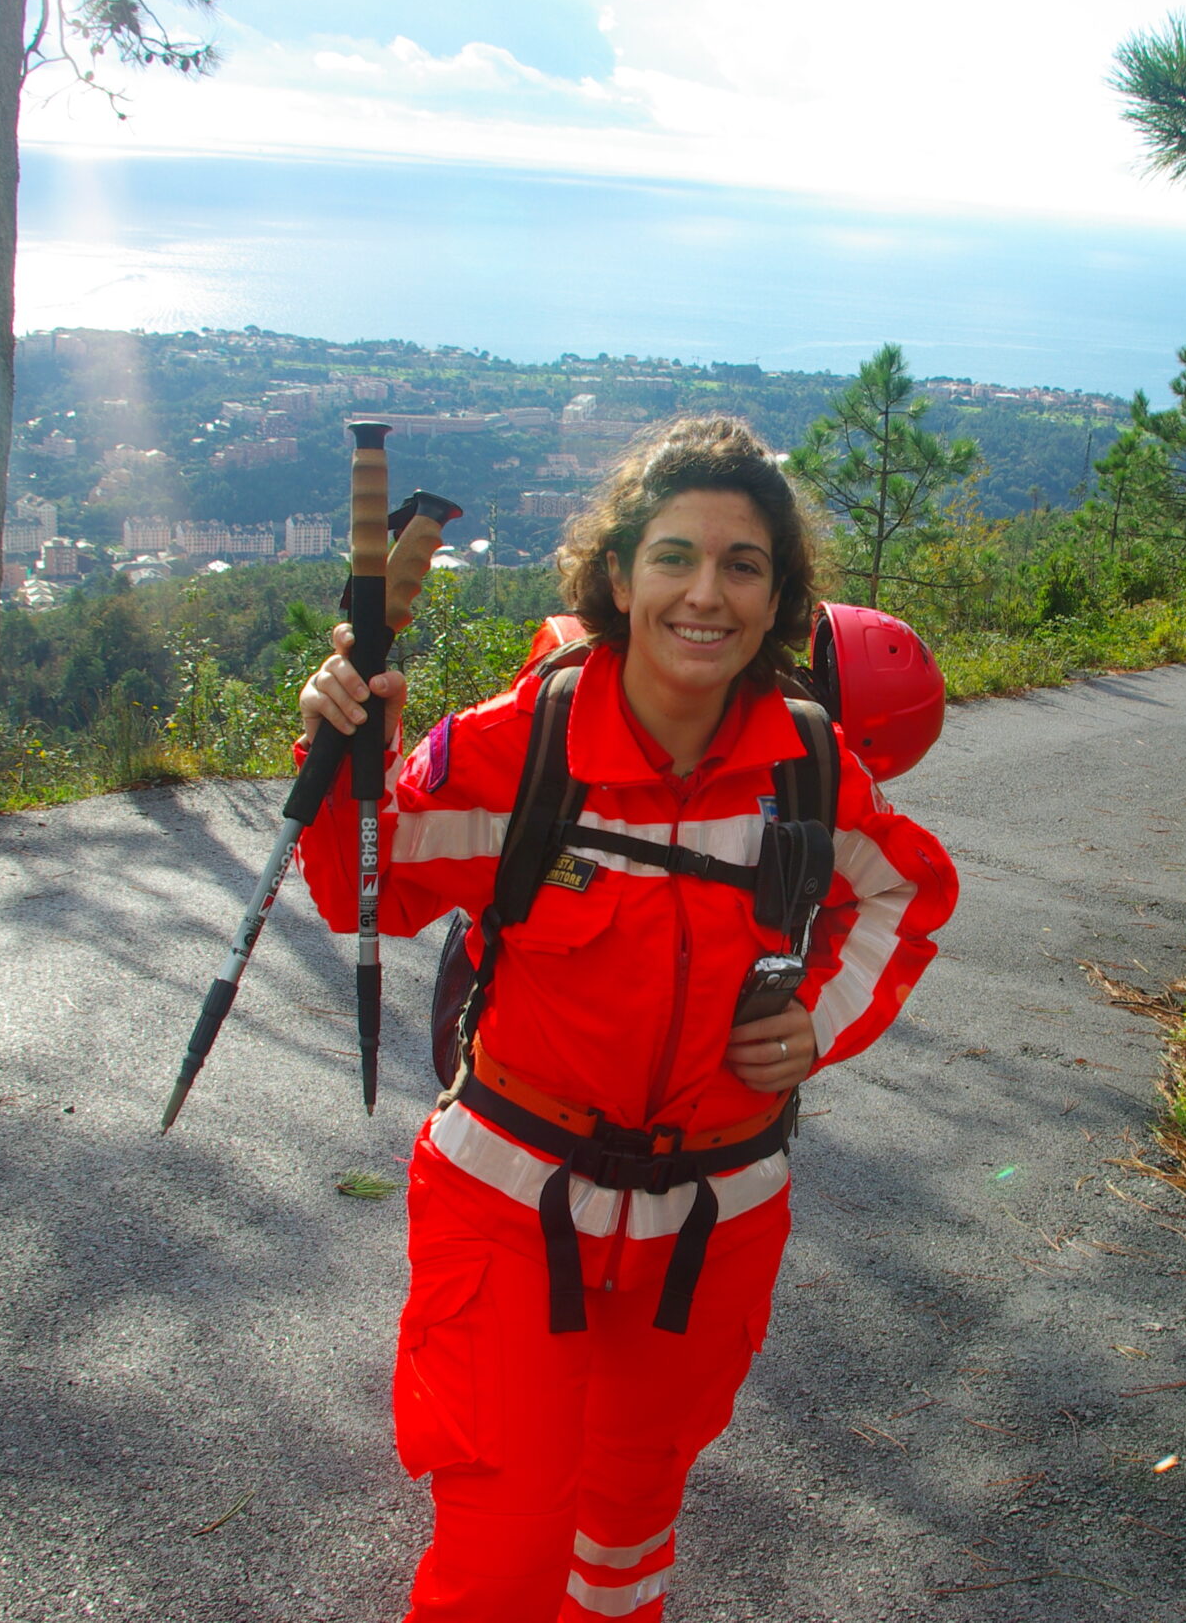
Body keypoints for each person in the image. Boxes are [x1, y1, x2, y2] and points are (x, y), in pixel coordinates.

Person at [294, 415, 958, 1622]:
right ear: (617, 577)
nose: (705, 594)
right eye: (674, 557)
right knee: (502, 1555)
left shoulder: (804, 765)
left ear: (777, 601)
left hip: (711, 1226)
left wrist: (818, 1021)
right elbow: (361, 887)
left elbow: (904, 891)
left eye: (742, 565)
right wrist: (345, 750)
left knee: (626, 1537)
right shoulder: (516, 754)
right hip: (510, 1202)